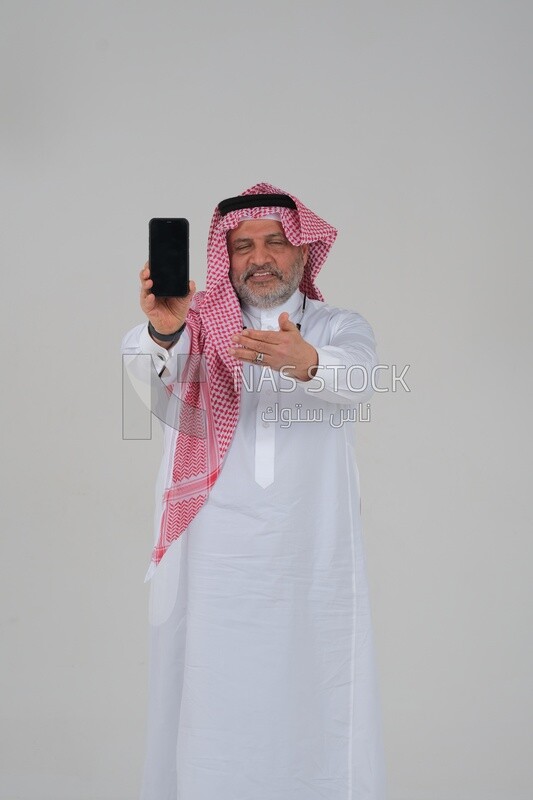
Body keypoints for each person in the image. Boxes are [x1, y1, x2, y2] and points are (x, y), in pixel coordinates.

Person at [121, 182, 386, 800]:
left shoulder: (338, 325)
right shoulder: (197, 324)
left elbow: (364, 378)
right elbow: (151, 399)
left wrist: (308, 361)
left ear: (303, 253)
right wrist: (163, 333)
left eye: (275, 243)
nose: (259, 257)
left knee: (318, 703)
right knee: (212, 709)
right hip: (214, 562)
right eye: (242, 247)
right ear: (225, 256)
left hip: (312, 559)